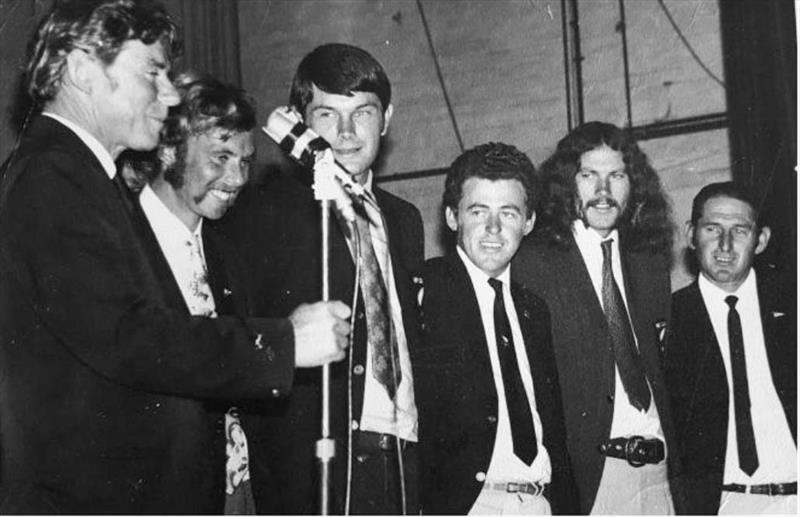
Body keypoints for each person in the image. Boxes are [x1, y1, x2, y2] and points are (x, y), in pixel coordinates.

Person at [0, 2, 349, 514]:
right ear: (80, 70)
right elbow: (128, 337)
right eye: (152, 73)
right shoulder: (54, 176)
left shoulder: (82, 178)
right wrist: (283, 343)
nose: (169, 95)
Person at [219, 43, 424, 514]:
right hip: (315, 474)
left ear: (386, 119)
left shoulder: (404, 219)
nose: (347, 133)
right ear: (298, 120)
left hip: (402, 455)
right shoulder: (260, 214)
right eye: (328, 115)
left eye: (363, 113)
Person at [512, 121, 678, 514]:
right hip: (592, 478)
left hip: (659, 472)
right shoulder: (531, 262)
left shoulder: (650, 262)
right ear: (567, 182)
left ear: (633, 184)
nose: (603, 192)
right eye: (589, 176)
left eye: (616, 176)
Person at [412, 143, 577, 515]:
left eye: (508, 212)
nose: (493, 228)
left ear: (529, 222)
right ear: (452, 217)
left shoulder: (535, 309)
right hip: (469, 505)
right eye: (478, 211)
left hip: (539, 502)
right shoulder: (423, 292)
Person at [125, 73, 262, 514]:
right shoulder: (120, 241)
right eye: (221, 157)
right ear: (169, 151)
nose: (237, 177)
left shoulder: (231, 248)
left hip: (235, 489)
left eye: (245, 161)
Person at [666, 181, 796, 515]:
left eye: (739, 230)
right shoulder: (669, 320)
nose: (725, 244)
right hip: (723, 505)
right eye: (713, 228)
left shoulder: (791, 306)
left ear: (761, 240)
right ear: (691, 234)